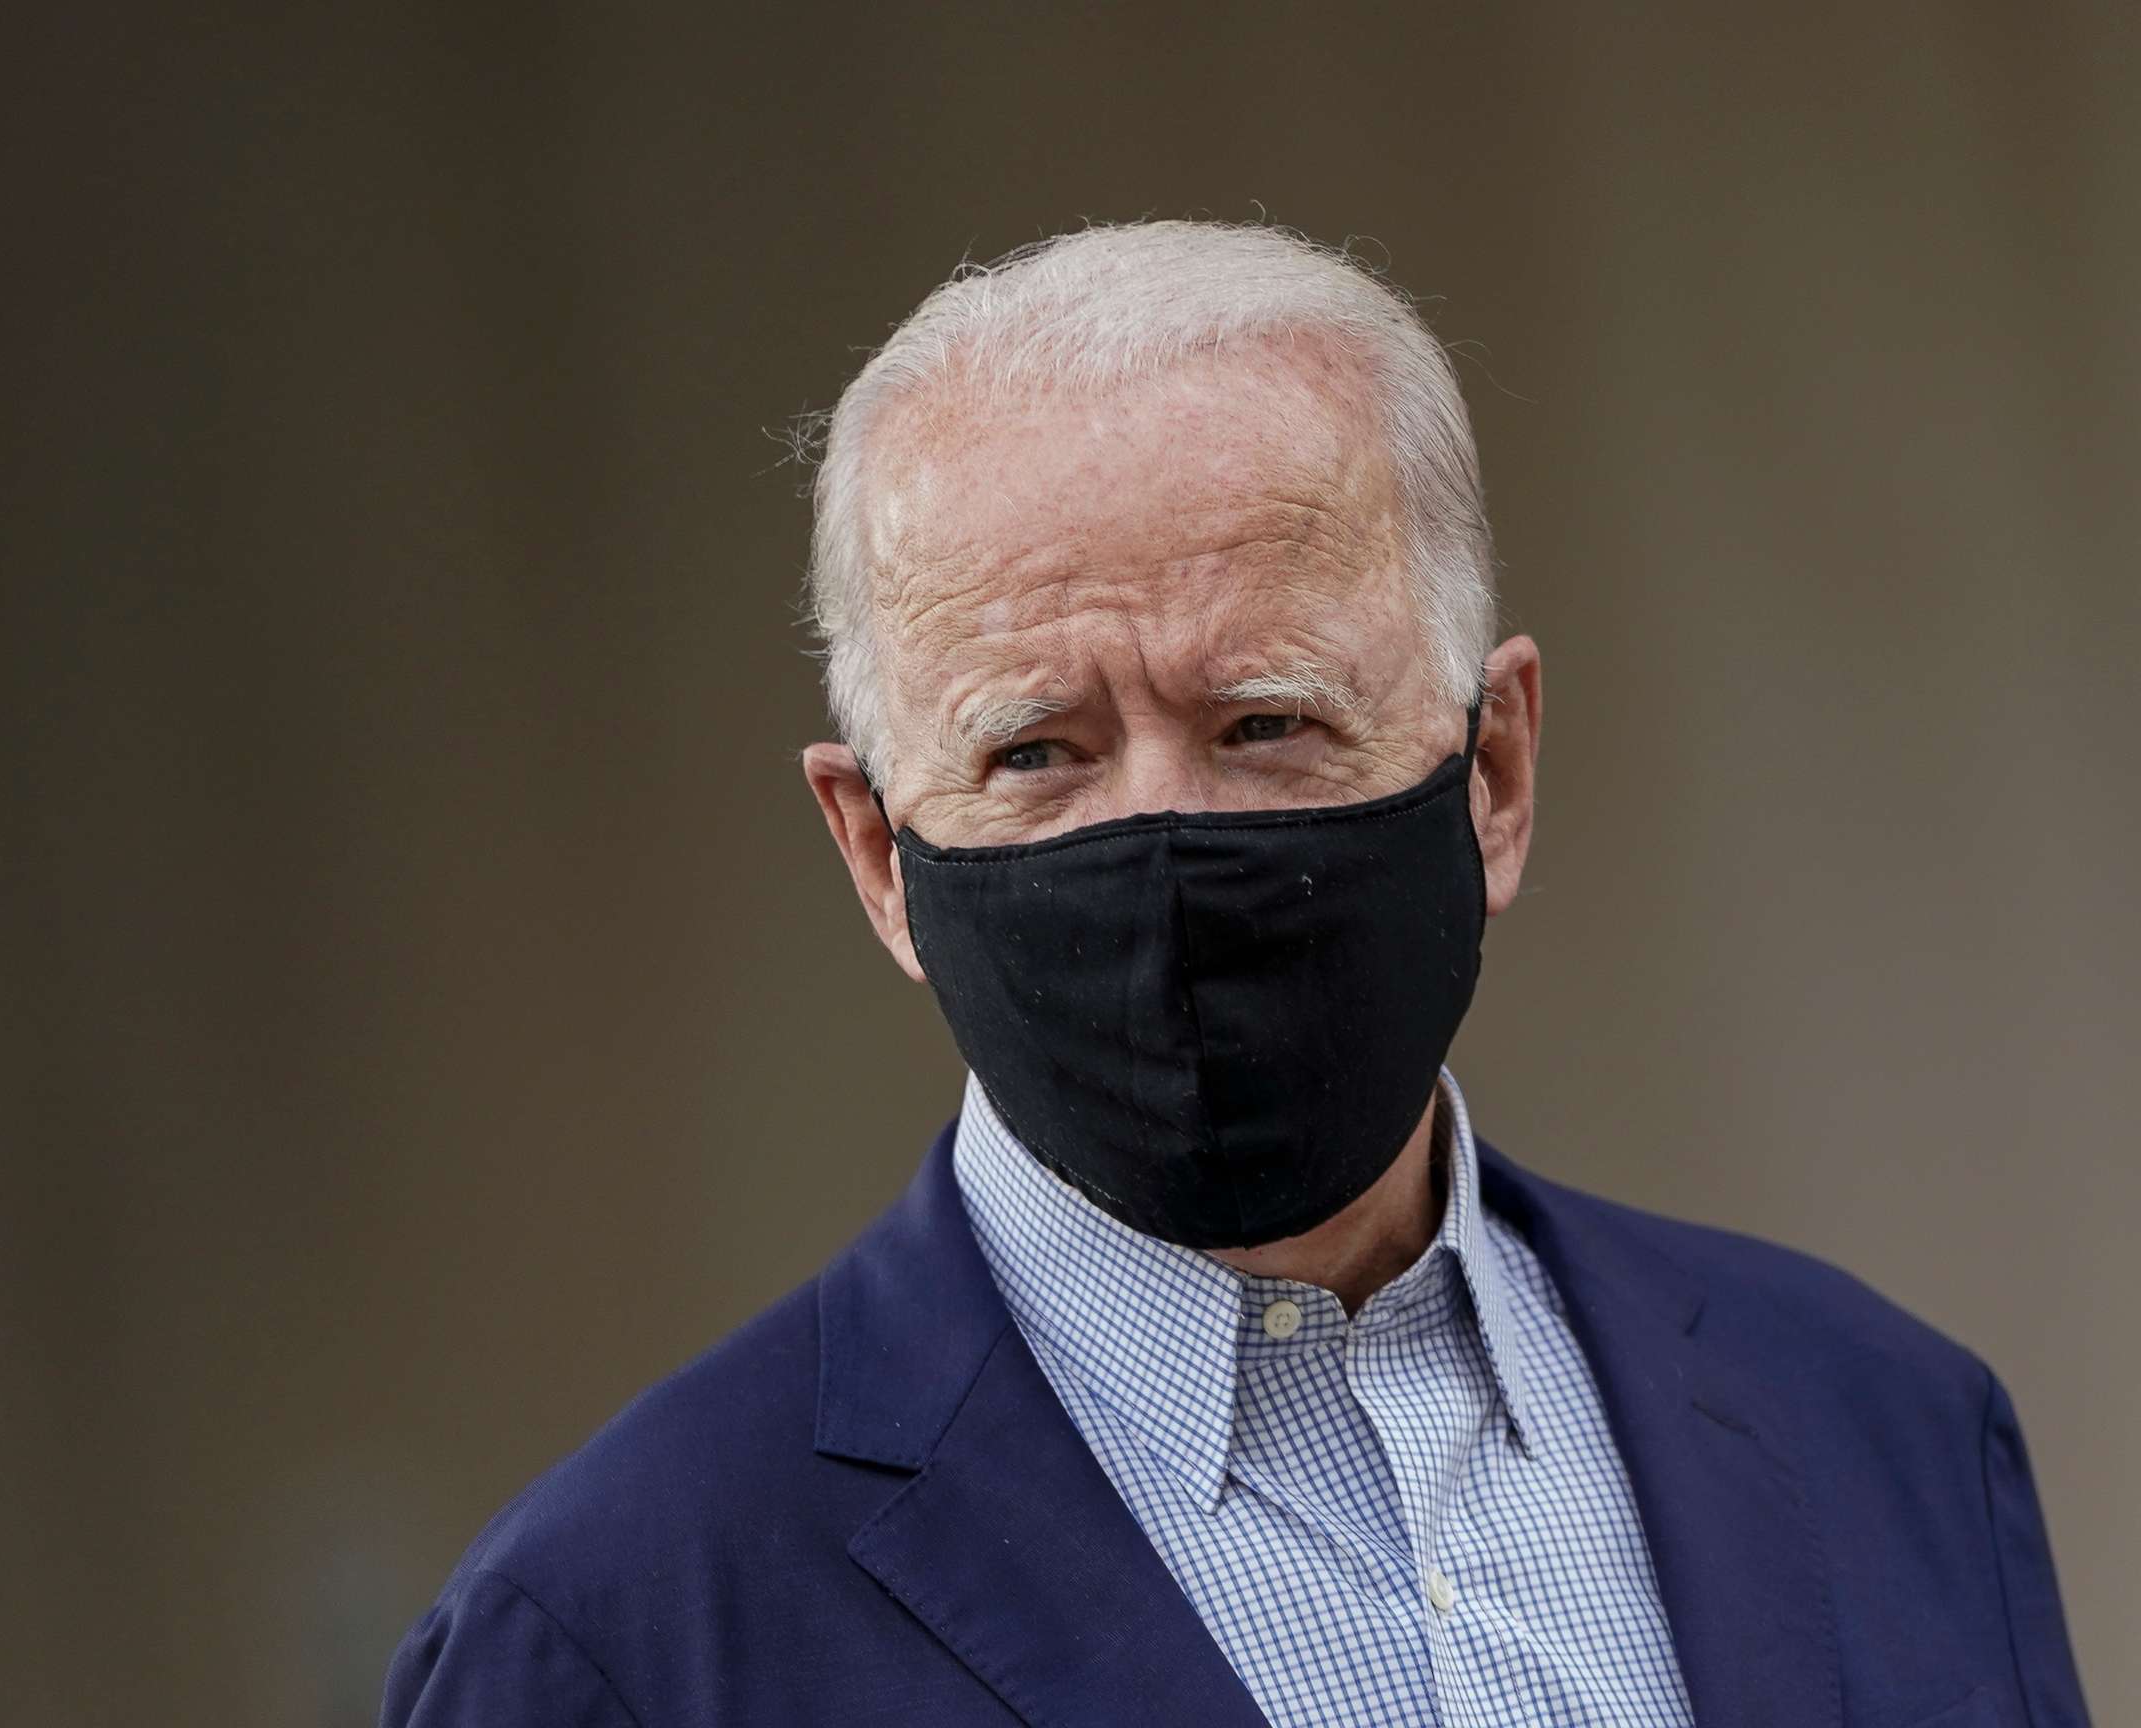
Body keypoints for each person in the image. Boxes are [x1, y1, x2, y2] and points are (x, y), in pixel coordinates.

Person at [380, 222, 2088, 1727]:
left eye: (1265, 723)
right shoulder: (619, 1644)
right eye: (1038, 752)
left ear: (1491, 770)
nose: (1166, 840)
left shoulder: (1882, 1426)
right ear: (883, 857)